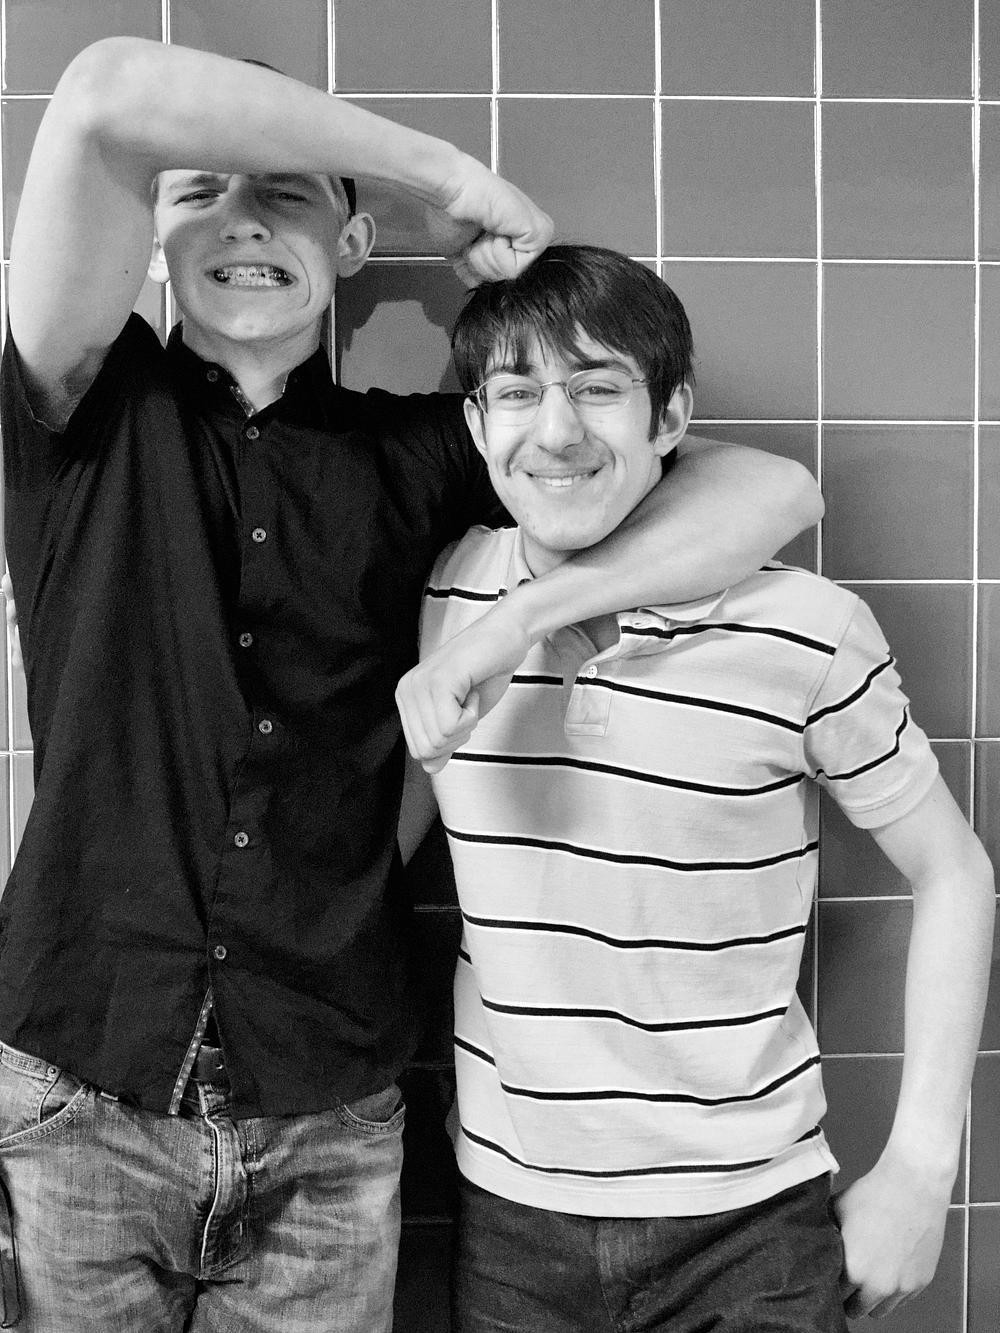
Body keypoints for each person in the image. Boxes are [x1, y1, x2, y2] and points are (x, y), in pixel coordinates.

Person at [0, 36, 821, 1332]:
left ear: (352, 242)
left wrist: (523, 620)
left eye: (286, 193)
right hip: (81, 1085)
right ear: (152, 240)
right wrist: (445, 175)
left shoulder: (414, 455)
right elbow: (105, 92)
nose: (242, 218)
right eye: (200, 191)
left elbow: (769, 490)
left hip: (327, 1109)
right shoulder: (77, 407)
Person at [399, 244, 996, 1332]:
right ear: (476, 425)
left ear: (671, 416)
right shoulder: (440, 594)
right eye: (518, 393)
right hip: (510, 1223)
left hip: (752, 1225)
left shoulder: (805, 628)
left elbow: (953, 871)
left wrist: (920, 1168)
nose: (556, 430)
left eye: (598, 388)